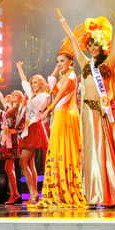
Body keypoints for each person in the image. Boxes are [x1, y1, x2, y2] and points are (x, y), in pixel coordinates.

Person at [56, 3, 115, 208]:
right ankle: (92, 195)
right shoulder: (84, 63)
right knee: (90, 151)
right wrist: (63, 22)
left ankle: (107, 194)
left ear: (102, 46)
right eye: (89, 45)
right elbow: (73, 40)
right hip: (88, 111)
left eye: (95, 44)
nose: (92, 48)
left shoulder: (109, 63)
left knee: (103, 150)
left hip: (103, 110)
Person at [30, 45, 88, 209]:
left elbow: (59, 96)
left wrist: (48, 109)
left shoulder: (70, 77)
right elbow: (52, 86)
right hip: (60, 114)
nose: (59, 64)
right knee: (57, 151)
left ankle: (64, 191)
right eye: (57, 62)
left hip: (64, 115)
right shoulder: (65, 76)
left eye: (62, 61)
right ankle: (57, 191)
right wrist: (57, 68)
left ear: (71, 62)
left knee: (62, 151)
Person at [16, 61, 51, 205]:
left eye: (35, 82)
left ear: (41, 83)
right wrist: (19, 68)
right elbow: (24, 83)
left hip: (35, 127)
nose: (33, 85)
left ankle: (33, 193)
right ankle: (34, 194)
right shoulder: (32, 95)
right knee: (30, 162)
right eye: (32, 83)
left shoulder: (44, 96)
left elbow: (39, 111)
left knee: (22, 161)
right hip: (28, 129)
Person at [0, 89, 23, 204]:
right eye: (12, 94)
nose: (13, 95)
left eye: (16, 95)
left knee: (8, 168)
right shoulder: (9, 108)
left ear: (21, 99)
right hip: (6, 140)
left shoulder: (19, 110)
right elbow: (1, 99)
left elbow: (20, 128)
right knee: (8, 168)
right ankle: (14, 194)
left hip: (11, 140)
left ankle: (15, 194)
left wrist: (7, 132)